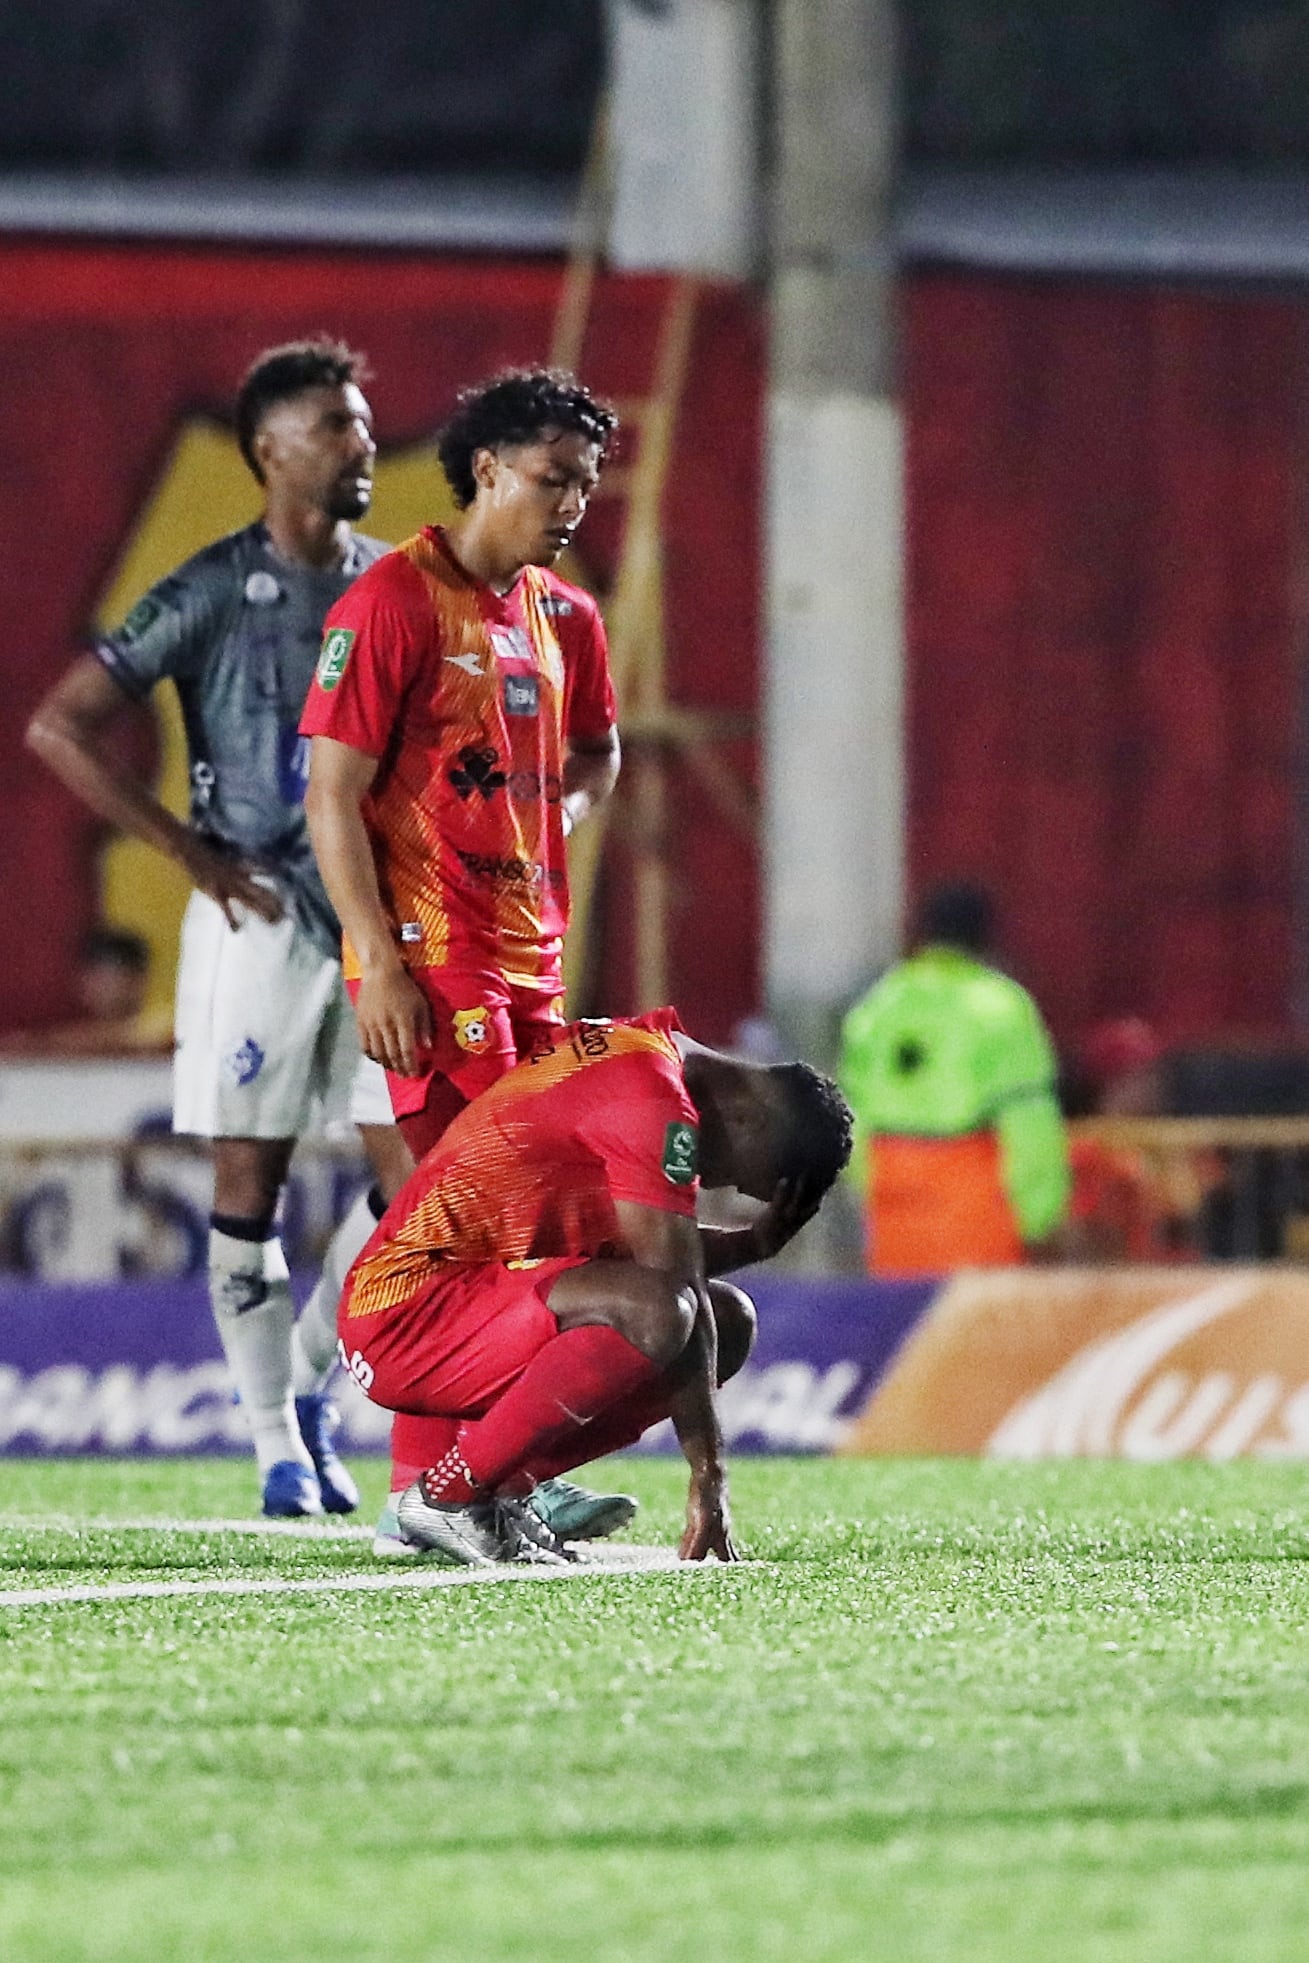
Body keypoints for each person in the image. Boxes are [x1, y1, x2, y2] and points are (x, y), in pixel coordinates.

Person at [26, 337, 411, 1519]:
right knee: (251, 1174)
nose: (361, 445)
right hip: (253, 922)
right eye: (335, 427)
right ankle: (271, 1448)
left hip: (376, 921)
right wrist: (189, 853)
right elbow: (60, 725)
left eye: (361, 422)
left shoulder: (398, 581)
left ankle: (305, 1386)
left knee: (419, 1177)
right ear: (267, 452)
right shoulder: (206, 588)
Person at [300, 367, 625, 1548]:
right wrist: (374, 959)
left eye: (588, 482)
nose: (575, 501)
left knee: (516, 1222)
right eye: (555, 478)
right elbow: (330, 797)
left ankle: (467, 1478)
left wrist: (550, 822)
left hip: (534, 962)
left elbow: (598, 755)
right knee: (487, 1217)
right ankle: (459, 1480)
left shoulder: (567, 618)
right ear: (486, 468)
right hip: (436, 967)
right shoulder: (390, 601)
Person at [335, 1009, 854, 1565]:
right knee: (662, 1312)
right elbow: (669, 1287)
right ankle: (449, 1495)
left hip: (464, 1301)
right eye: (736, 1176)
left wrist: (752, 1246)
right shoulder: (654, 1102)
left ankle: (504, 1488)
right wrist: (709, 1475)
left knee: (724, 1322)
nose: (717, 1182)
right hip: (403, 1317)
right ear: (750, 1118)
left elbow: (663, 1261)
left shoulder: (652, 1057)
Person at [838, 879, 1069, 1275]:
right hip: (978, 1222)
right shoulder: (1001, 1007)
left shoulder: (878, 1006)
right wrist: (1040, 1217)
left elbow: (848, 1126)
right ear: (987, 937)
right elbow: (1029, 1126)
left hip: (893, 1221)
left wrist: (872, 1199)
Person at [0, 926, 172, 1056]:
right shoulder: (77, 1028)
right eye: (86, 977)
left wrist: (40, 1045)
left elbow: (133, 1039)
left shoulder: (164, 1019)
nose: (88, 986)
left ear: (135, 979)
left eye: (100, 977)